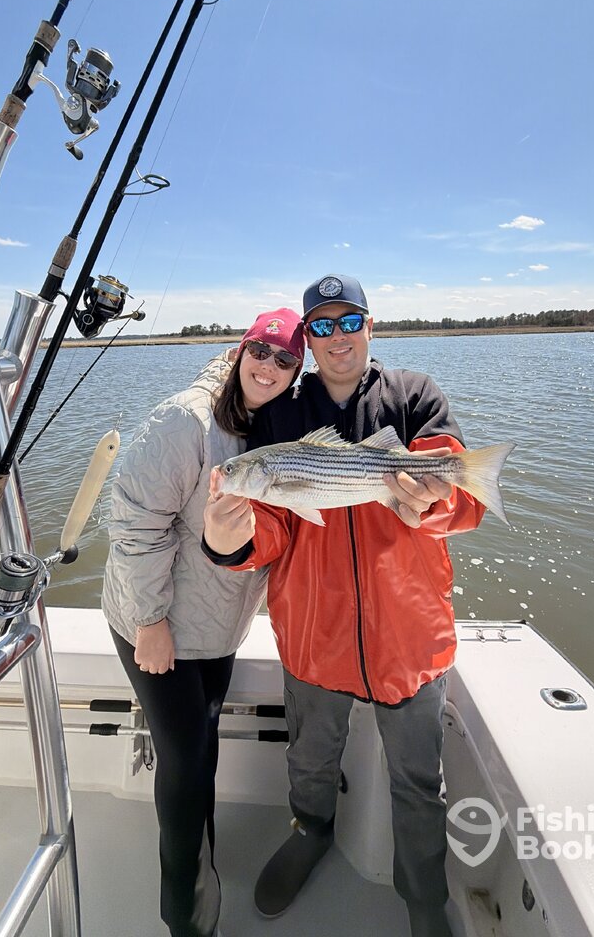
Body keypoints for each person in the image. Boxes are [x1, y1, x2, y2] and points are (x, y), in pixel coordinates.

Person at [202, 275, 486, 937]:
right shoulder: (280, 414)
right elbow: (273, 529)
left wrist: (434, 502)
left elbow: (463, 503)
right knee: (308, 762)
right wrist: (228, 538)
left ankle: (424, 897)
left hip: (409, 637)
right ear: (308, 338)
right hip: (313, 635)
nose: (338, 337)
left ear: (369, 325)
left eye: (349, 320)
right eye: (322, 326)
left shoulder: (414, 395)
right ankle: (311, 833)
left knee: (418, 781)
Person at [103, 308, 305, 937]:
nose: (269, 367)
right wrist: (149, 621)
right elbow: (134, 523)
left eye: (285, 360)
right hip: (157, 627)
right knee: (187, 765)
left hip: (217, 629)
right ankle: (188, 919)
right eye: (261, 351)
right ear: (242, 350)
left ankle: (205, 872)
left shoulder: (268, 427)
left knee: (202, 749)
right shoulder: (184, 420)